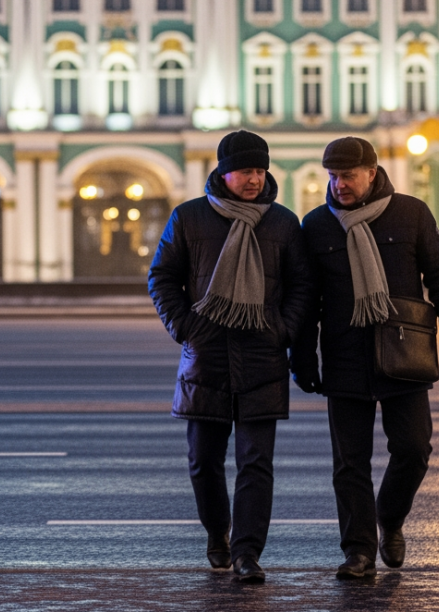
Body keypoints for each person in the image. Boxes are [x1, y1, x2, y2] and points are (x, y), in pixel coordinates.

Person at [291, 136, 439, 580]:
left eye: (348, 175)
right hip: (344, 355)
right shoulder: (316, 225)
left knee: (413, 450)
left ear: (372, 172)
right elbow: (306, 298)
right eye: (332, 176)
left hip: (404, 353)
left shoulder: (410, 214)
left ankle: (389, 517)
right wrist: (302, 357)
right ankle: (358, 552)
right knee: (349, 464)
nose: (339, 185)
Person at [149, 130, 312, 583]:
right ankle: (217, 532)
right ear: (224, 172)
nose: (254, 179)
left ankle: (247, 553)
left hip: (262, 356)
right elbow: (162, 277)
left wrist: (283, 328)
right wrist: (186, 327)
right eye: (246, 171)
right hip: (206, 357)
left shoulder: (281, 223)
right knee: (203, 462)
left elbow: (302, 286)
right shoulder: (190, 218)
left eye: (260, 170)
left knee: (256, 463)